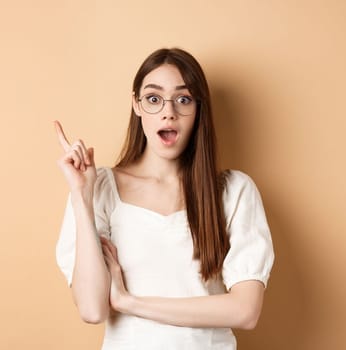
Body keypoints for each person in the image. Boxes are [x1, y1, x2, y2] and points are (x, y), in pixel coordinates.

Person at [54, 48, 275, 349]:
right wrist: (82, 196)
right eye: (154, 99)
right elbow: (92, 309)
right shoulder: (100, 188)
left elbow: (245, 311)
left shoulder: (233, 191)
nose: (168, 111)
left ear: (198, 108)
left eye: (183, 99)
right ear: (137, 105)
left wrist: (130, 303)